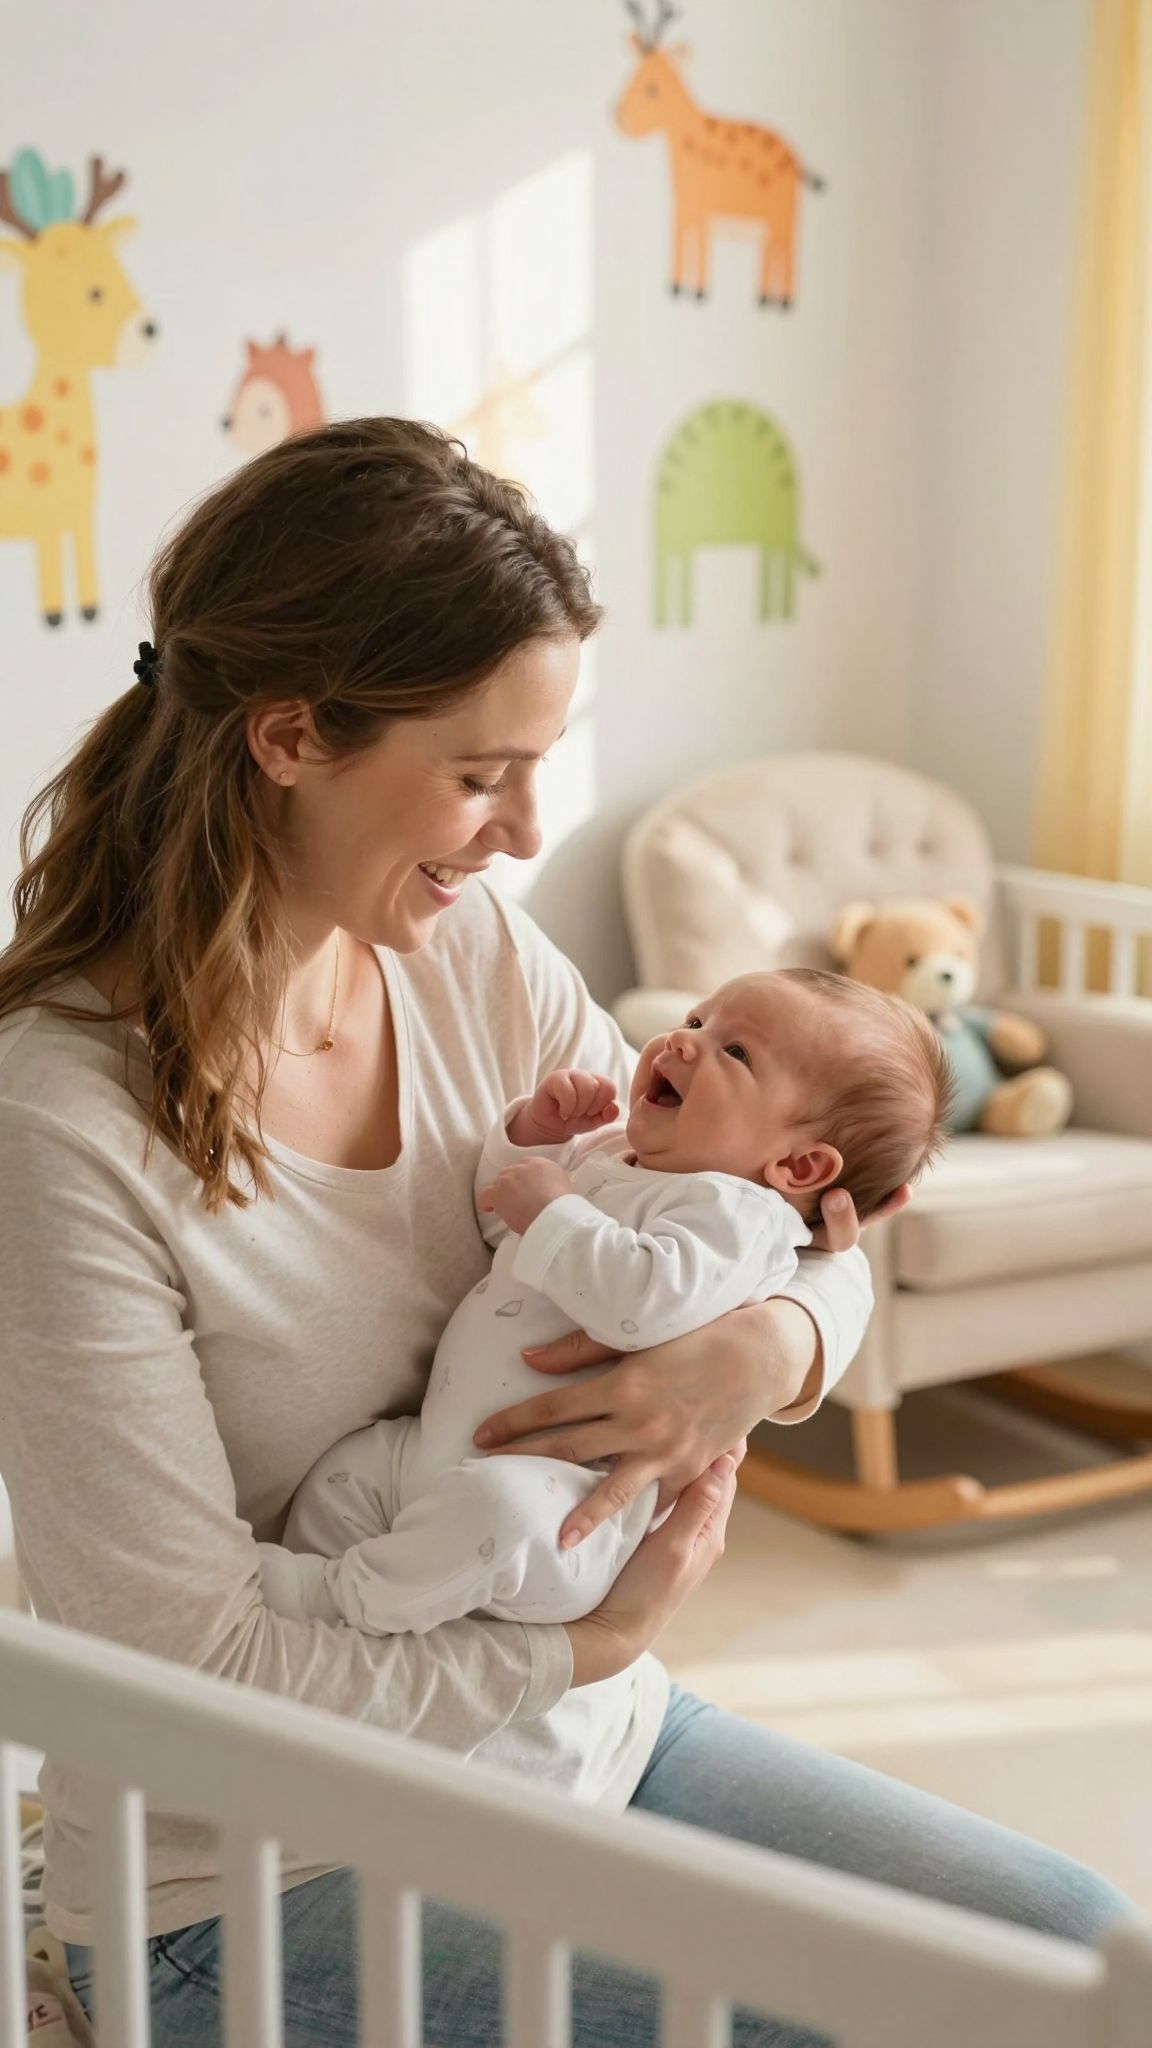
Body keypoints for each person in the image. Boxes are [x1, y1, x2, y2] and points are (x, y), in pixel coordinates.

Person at [0, 420, 1128, 2048]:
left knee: (1071, 1956)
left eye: (539, 762)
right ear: (291, 735)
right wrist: (583, 1637)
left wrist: (764, 1346)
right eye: (478, 773)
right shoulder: (60, 1122)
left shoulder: (480, 964)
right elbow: (189, 1661)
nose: (528, 831)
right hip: (257, 1862)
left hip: (582, 1739)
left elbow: (800, 1213)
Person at [261, 969, 953, 1640]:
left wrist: (555, 1208)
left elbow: (642, 1302)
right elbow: (506, 1228)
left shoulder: (738, 1215)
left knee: (493, 1515)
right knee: (350, 1473)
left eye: (735, 1052)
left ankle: (337, 1599)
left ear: (799, 1168)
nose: (684, 1041)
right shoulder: (618, 1156)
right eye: (696, 1020)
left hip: (559, 1500)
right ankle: (330, 1589)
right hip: (440, 1446)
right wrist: (532, 1136)